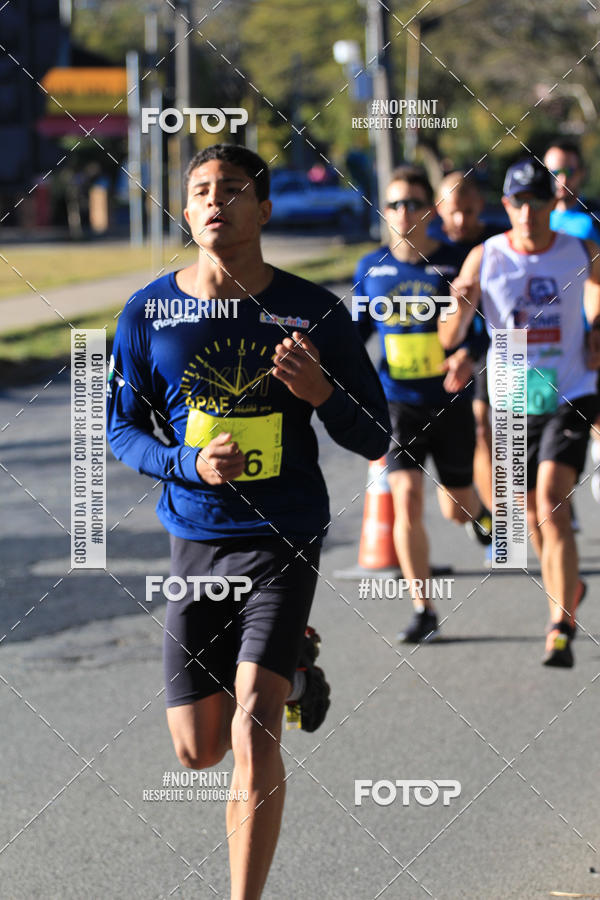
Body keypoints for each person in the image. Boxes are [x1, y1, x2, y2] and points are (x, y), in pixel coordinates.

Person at [106, 143, 390, 899]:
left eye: (232, 190)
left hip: (284, 535)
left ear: (263, 210)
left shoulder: (314, 313)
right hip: (195, 537)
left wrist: (324, 393)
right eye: (200, 190)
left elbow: (375, 436)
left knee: (251, 724)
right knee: (197, 752)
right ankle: (297, 673)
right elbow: (120, 429)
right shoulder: (147, 315)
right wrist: (186, 464)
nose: (213, 202)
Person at [439, 157, 600, 668]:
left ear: (551, 204)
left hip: (571, 389)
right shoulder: (486, 258)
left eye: (536, 202)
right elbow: (448, 335)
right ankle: (568, 586)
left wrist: (596, 328)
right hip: (512, 392)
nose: (526, 214)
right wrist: (459, 306)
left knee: (552, 497)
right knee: (526, 512)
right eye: (516, 203)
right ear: (504, 206)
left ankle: (559, 623)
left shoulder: (579, 249)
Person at [354, 165, 491, 645]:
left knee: (457, 507)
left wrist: (468, 356)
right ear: (384, 211)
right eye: (394, 204)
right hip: (398, 405)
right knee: (407, 501)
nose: (404, 212)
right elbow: (354, 336)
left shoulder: (456, 261)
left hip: (451, 400)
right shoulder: (371, 269)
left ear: (431, 210)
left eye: (413, 202)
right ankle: (423, 608)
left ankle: (480, 515)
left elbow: (484, 328)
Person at [434, 172, 505, 556]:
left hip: (492, 350)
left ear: (480, 205)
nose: (460, 220)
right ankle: (482, 513)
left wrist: (470, 350)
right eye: (452, 211)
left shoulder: (498, 240)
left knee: (486, 429)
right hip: (441, 360)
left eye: (468, 210)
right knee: (452, 506)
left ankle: (504, 522)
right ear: (439, 209)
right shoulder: (433, 248)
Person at [543, 139, 600, 502]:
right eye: (553, 171)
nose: (561, 179)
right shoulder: (531, 221)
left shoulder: (591, 223)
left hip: (590, 342)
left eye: (569, 170)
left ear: (581, 174)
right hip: (544, 349)